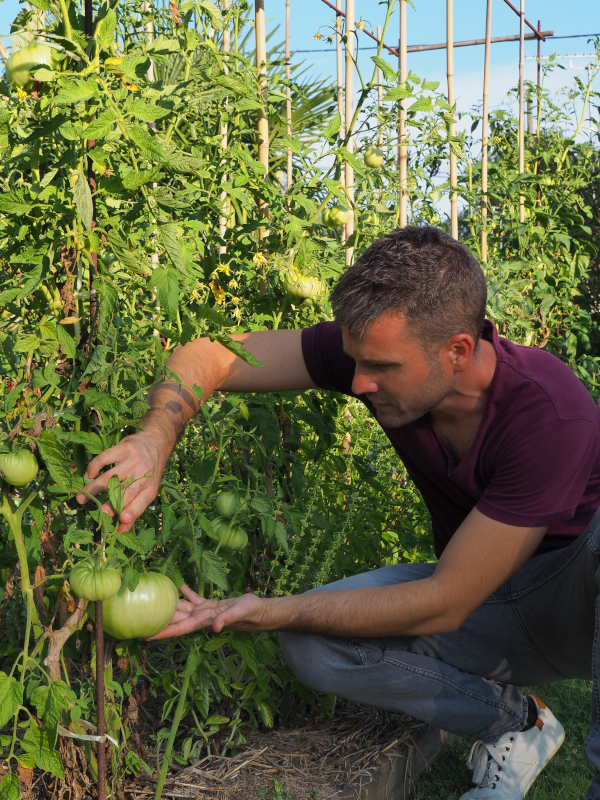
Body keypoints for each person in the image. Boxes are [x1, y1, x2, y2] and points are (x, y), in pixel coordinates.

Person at [77, 226, 600, 800]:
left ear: (456, 351)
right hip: (488, 596)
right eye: (353, 360)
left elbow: (447, 603)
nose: (357, 382)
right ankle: (515, 724)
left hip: (572, 606)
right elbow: (214, 354)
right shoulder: (376, 353)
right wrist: (156, 438)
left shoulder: (551, 412)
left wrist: (269, 609)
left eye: (380, 366)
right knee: (311, 640)